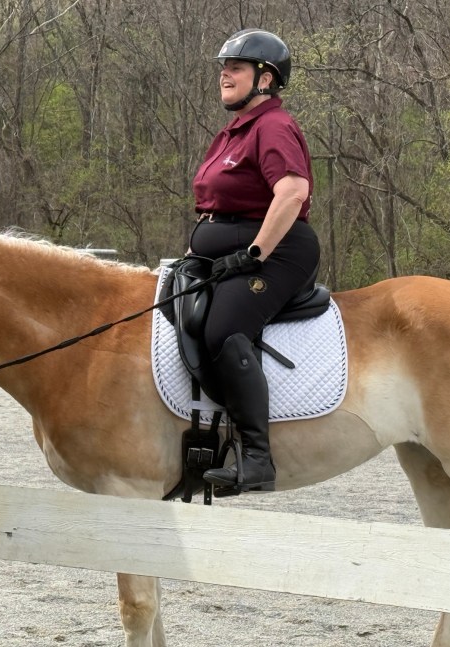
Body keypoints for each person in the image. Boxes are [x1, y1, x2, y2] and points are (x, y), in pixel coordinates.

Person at [188, 28, 320, 492]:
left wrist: (253, 253)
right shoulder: (232, 131)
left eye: (236, 67)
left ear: (265, 79)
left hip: (278, 251)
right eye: (224, 67)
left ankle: (258, 458)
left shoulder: (274, 127)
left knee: (224, 329)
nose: (225, 74)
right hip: (229, 252)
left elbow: (292, 192)